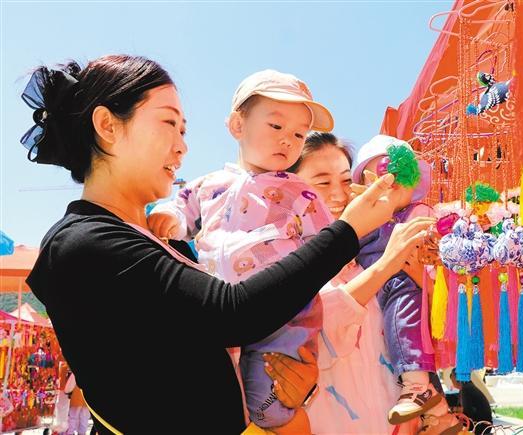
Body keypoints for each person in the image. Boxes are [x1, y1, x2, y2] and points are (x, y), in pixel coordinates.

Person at [21, 55, 402, 434]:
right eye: (169, 123)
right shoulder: (83, 243)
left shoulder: (162, 242)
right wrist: (348, 231)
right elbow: (233, 313)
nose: (182, 147)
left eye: (184, 130)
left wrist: (285, 383)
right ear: (107, 125)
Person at [147, 69, 337, 433]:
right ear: (237, 125)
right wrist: (169, 216)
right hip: (218, 307)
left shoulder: (301, 193)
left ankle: (268, 419)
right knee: (218, 392)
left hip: (282, 317)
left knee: (270, 401)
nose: (288, 140)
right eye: (276, 126)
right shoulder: (209, 185)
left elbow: (329, 244)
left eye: (299, 134)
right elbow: (182, 208)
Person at [290, 133, 429, 433]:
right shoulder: (286, 257)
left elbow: (417, 334)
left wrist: (421, 281)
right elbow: (319, 329)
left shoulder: (367, 251)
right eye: (322, 183)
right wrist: (387, 264)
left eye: (345, 181)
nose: (339, 195)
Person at [353, 135, 460, 433]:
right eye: (381, 176)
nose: (390, 183)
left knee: (404, 324)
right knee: (392, 340)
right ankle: (437, 410)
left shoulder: (418, 213)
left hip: (405, 287)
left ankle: (417, 386)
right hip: (376, 295)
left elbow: (430, 257)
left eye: (399, 175)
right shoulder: (362, 222)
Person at [449, 370, 492, 435]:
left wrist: (454, 411)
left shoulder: (466, 389)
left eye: (451, 377)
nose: (452, 381)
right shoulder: (467, 386)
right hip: (484, 424)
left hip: (480, 426)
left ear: (456, 378)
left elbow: (467, 412)